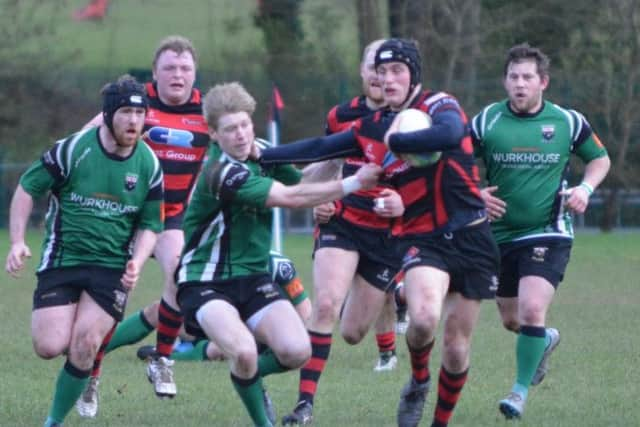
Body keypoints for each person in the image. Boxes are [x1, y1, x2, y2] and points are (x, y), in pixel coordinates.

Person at [258, 38, 500, 427]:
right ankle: (419, 379)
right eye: (382, 71)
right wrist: (262, 154)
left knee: (456, 348)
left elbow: (450, 133)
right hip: (425, 238)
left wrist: (398, 141)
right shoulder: (372, 125)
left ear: (414, 75)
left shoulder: (439, 105)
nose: (387, 79)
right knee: (422, 320)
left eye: (397, 71)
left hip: (472, 236)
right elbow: (322, 147)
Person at [175, 81, 382, 427]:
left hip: (253, 276)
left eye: (245, 125)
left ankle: (249, 381)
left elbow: (302, 181)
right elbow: (290, 198)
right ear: (213, 134)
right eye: (230, 129)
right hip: (204, 279)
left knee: (297, 351)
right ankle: (262, 419)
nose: (241, 135)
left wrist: (343, 152)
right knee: (243, 351)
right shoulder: (219, 172)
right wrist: (354, 182)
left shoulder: (262, 151)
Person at [4, 75, 163, 427]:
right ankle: (83, 366)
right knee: (49, 345)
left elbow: (152, 224)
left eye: (140, 114)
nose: (134, 121)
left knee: (86, 342)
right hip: (62, 259)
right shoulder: (73, 149)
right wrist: (17, 241)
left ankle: (54, 420)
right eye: (125, 112)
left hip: (112, 268)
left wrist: (137, 261)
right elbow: (27, 188)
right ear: (108, 114)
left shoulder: (149, 165)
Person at [470, 43, 611, 420]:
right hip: (498, 237)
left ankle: (517, 394)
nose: (519, 83)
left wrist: (585, 188)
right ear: (505, 80)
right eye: (513, 76)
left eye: (527, 77)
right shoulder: (486, 121)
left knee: (533, 310)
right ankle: (546, 340)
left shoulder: (568, 121)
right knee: (512, 320)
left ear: (543, 82)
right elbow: (455, 164)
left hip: (547, 231)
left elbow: (600, 158)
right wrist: (475, 194)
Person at [76, 36, 208, 414]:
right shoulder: (134, 104)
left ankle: (161, 359)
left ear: (194, 74)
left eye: (185, 69)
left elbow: (241, 140)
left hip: (171, 218)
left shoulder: (207, 111)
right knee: (113, 299)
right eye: (169, 68)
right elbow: (83, 139)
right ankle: (92, 379)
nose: (177, 75)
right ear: (155, 73)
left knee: (182, 279)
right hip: (121, 216)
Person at [279, 38, 406, 426]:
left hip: (387, 234)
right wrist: (315, 196)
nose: (379, 76)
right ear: (362, 71)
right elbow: (326, 162)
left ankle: (395, 295)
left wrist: (402, 202)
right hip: (342, 223)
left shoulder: (414, 120)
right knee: (327, 305)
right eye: (373, 67)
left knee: (352, 333)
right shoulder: (341, 116)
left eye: (389, 69)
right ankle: (304, 406)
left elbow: (428, 180)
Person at [136, 249, 312, 362]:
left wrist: (271, 338)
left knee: (220, 349)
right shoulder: (213, 259)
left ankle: (172, 356)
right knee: (157, 311)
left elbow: (305, 312)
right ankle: (108, 344)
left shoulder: (279, 266)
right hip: (216, 320)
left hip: (255, 334)